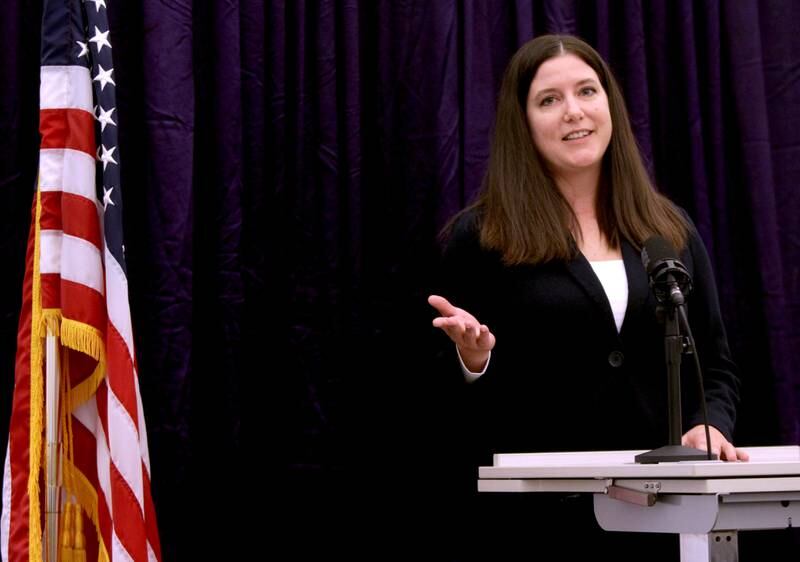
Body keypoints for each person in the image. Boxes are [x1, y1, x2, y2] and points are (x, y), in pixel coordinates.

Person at [427, 34, 747, 558]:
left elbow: (716, 366)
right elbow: (433, 405)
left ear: (610, 104)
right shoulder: (484, 236)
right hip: (539, 520)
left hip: (662, 516)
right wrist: (473, 362)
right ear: (523, 123)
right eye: (549, 100)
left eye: (587, 91)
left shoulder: (668, 231)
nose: (574, 112)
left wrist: (707, 425)